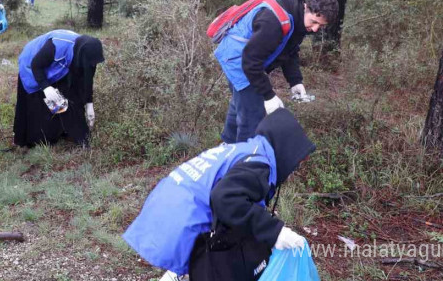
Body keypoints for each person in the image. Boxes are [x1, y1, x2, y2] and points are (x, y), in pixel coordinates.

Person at [123, 109, 315, 281]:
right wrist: (275, 232)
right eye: (296, 160)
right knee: (216, 257)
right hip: (181, 214)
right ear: (285, 148)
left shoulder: (249, 150)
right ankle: (181, 271)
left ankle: (178, 273)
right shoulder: (258, 165)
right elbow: (225, 199)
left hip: (166, 201)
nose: (295, 167)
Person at [215, 0, 338, 144]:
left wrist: (295, 81)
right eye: (314, 22)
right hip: (237, 59)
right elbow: (250, 62)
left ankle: (227, 146)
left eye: (321, 26)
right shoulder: (273, 22)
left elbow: (290, 49)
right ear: (306, 6)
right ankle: (243, 160)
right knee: (253, 114)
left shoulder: (298, 17)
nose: (315, 29)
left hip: (247, 58)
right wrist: (269, 96)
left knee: (242, 103)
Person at [13, 30, 104, 147]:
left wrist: (89, 103)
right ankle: (35, 139)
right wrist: (46, 87)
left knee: (70, 97)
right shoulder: (57, 45)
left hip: (56, 65)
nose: (91, 65)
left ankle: (66, 131)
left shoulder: (88, 54)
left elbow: (87, 80)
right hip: (32, 63)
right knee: (39, 105)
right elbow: (36, 65)